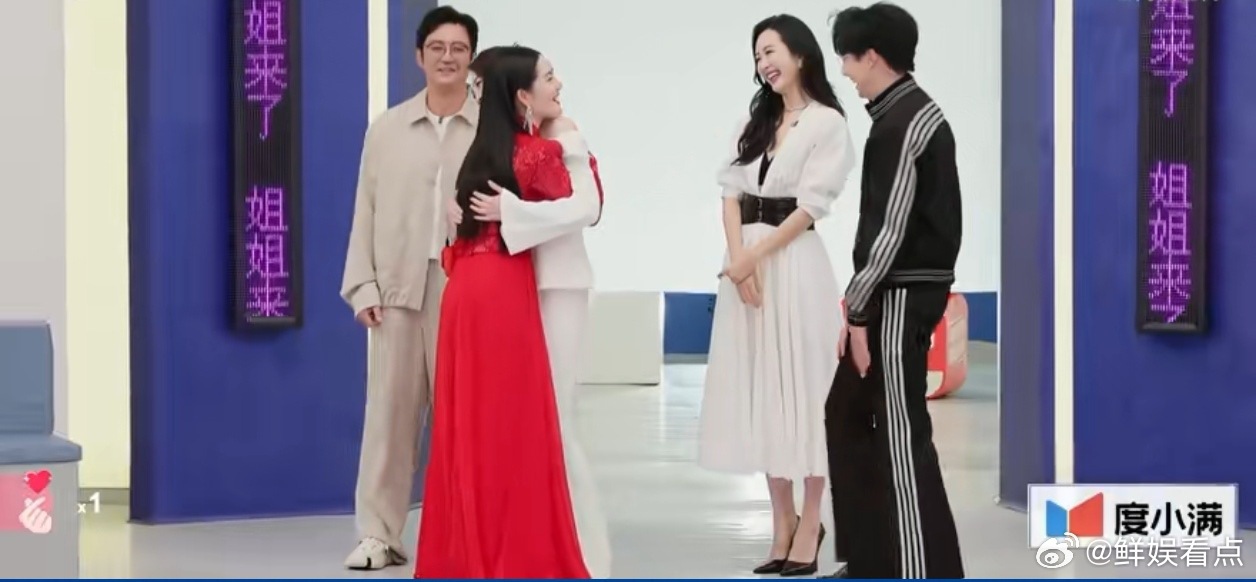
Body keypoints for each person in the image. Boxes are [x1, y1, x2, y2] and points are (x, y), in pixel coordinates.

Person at [414, 45, 594, 579]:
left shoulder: (478, 153)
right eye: (548, 76)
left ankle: (464, 553)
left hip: (463, 290)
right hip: (504, 289)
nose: (557, 83)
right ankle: (522, 553)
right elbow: (588, 205)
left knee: (468, 427)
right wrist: (569, 146)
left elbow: (458, 229)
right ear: (521, 95)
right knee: (521, 427)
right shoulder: (537, 153)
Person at [697, 13, 856, 578]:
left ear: (800, 54)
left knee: (805, 392)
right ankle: (781, 521)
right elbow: (730, 192)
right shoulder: (755, 120)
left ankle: (812, 521)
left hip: (794, 265)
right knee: (762, 388)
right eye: (757, 54)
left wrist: (752, 257)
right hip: (748, 267)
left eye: (771, 50)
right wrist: (738, 259)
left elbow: (810, 207)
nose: (764, 62)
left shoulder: (827, 123)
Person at [823, 3, 965, 579]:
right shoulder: (899, 116)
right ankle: (873, 559)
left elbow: (889, 231)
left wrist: (857, 308)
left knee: (901, 434)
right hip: (891, 293)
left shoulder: (905, 123)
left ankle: (917, 568)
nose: (845, 72)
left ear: (874, 56)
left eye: (848, 59)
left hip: (899, 296)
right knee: (845, 413)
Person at [338, 6, 480, 570]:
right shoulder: (387, 129)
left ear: (471, 59)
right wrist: (362, 286)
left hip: (465, 291)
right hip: (397, 290)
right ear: (419, 56)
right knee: (390, 419)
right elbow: (365, 209)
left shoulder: (490, 128)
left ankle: (466, 532)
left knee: (465, 421)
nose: (448, 57)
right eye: (437, 47)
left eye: (459, 48)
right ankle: (379, 534)